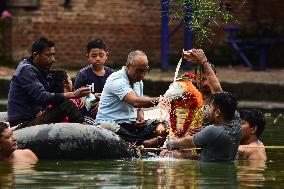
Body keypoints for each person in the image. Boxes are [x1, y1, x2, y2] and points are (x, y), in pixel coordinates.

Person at [7, 37, 91, 129]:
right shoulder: (26, 70)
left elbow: (56, 91)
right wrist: (73, 94)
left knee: (66, 102)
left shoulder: (42, 69)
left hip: (34, 117)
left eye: (53, 55)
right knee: (68, 105)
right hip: (22, 123)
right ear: (36, 55)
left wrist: (82, 96)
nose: (52, 59)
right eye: (48, 55)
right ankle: (86, 129)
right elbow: (42, 96)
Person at [95, 50, 166, 147]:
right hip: (112, 125)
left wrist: (140, 115)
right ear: (128, 66)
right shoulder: (117, 80)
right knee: (106, 126)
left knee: (163, 123)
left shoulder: (138, 81)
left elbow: (139, 106)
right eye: (139, 71)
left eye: (146, 70)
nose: (142, 75)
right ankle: (143, 144)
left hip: (131, 126)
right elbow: (135, 102)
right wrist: (164, 99)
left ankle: (136, 143)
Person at [166, 92, 242, 162]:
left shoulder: (212, 131)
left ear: (217, 112)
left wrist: (170, 143)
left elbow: (188, 141)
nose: (208, 110)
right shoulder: (238, 126)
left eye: (210, 107)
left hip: (210, 175)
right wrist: (182, 156)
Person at [74, 38, 113, 118]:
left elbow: (117, 96)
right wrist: (92, 97)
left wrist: (102, 103)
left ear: (106, 56)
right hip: (87, 116)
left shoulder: (112, 75)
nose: (98, 58)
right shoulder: (83, 75)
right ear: (88, 56)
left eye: (101, 55)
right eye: (94, 56)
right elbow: (76, 98)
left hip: (108, 115)